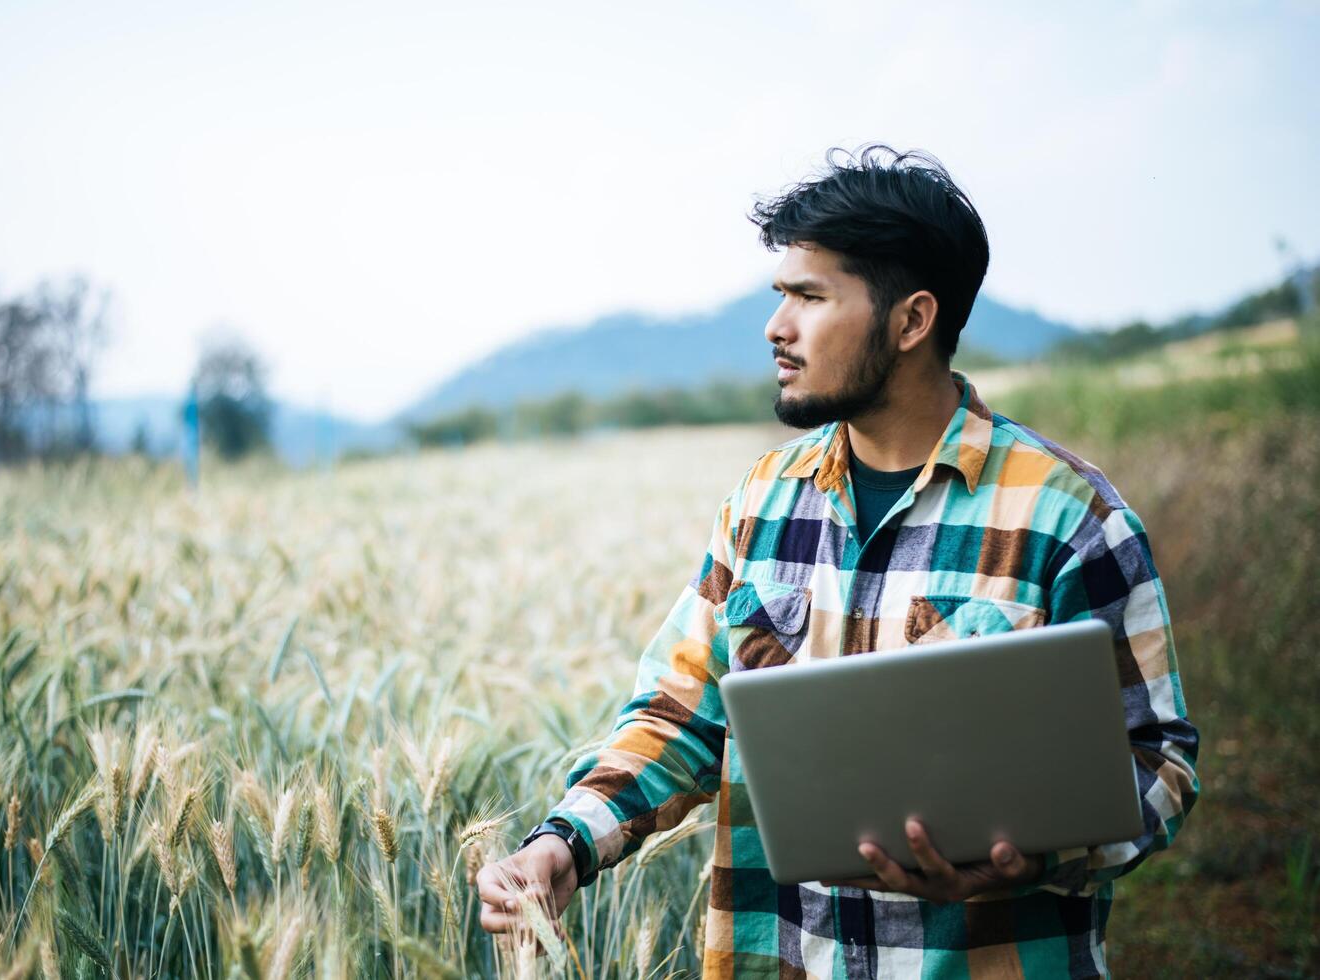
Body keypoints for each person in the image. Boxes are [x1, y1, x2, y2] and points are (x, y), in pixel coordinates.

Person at [474, 145, 1200, 978]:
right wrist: (566, 843)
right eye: (779, 295)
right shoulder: (762, 500)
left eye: (809, 297)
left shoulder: (1068, 515)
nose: (775, 327)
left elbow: (1159, 760)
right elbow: (682, 713)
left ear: (910, 321)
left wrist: (1035, 855)